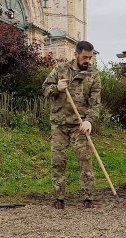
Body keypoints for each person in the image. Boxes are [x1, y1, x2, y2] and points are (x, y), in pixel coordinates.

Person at [43, 40, 101, 209]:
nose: (88, 61)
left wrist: (89, 121)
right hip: (59, 123)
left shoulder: (93, 75)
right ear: (76, 54)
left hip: (80, 124)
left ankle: (88, 197)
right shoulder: (60, 69)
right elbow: (45, 90)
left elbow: (95, 103)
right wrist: (57, 88)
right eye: (85, 57)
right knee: (58, 160)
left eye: (90, 58)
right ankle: (59, 197)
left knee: (85, 159)